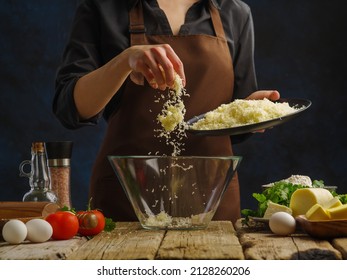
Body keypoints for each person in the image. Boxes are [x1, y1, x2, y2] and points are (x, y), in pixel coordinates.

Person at [54, 0, 280, 224]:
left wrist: (250, 111)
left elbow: (236, 127)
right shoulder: (102, 7)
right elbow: (71, 108)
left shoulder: (234, 12)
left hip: (212, 201)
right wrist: (125, 61)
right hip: (127, 199)